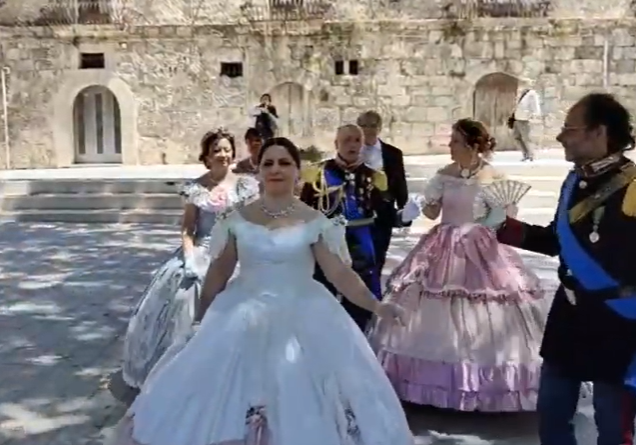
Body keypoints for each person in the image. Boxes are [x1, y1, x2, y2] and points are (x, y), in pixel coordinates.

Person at [111, 137, 412, 445]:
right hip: (241, 311)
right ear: (258, 171)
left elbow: (340, 275)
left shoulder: (316, 221)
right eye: (268, 163)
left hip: (306, 313)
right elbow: (218, 274)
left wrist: (377, 306)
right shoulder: (236, 219)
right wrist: (200, 321)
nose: (276, 169)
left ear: (298, 171)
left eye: (284, 163)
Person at [495, 93, 636, 445]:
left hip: (617, 324)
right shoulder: (574, 182)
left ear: (598, 132)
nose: (560, 137)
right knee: (552, 419)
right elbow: (558, 240)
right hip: (568, 318)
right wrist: (504, 228)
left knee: (613, 428)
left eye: (569, 129)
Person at [369, 118, 547, 411]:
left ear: (471, 145)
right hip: (444, 243)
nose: (449, 146)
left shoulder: (493, 176)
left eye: (454, 141)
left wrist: (494, 218)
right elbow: (432, 211)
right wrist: (421, 206)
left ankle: (485, 384)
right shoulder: (444, 174)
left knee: (485, 302)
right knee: (432, 299)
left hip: (482, 245)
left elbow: (504, 217)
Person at [111, 129, 258, 404]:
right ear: (206, 156)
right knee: (185, 301)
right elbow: (188, 229)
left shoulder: (245, 186)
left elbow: (253, 223)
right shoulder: (196, 188)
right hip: (201, 252)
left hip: (237, 253)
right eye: (217, 150)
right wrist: (190, 258)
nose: (223, 154)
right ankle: (182, 376)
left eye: (227, 149)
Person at [299, 124, 395, 331]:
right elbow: (304, 215)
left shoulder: (374, 177)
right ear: (336, 144)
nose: (352, 145)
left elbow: (384, 220)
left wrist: (402, 217)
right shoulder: (318, 174)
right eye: (346, 140)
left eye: (357, 140)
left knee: (361, 308)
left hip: (362, 248)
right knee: (325, 305)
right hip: (328, 249)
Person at [357, 110, 411, 272]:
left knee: (378, 256)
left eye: (373, 125)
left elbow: (400, 184)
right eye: (363, 125)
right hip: (356, 214)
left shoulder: (393, 154)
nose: (368, 130)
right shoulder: (351, 152)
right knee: (358, 259)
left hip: (384, 213)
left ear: (380, 128)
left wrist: (404, 212)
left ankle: (373, 293)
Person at [507, 78, 541, 162]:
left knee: (526, 137)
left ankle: (531, 155)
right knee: (516, 137)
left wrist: (533, 115)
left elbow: (535, 106)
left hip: (524, 118)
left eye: (524, 83)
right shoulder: (522, 93)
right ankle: (525, 154)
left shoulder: (531, 94)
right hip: (517, 118)